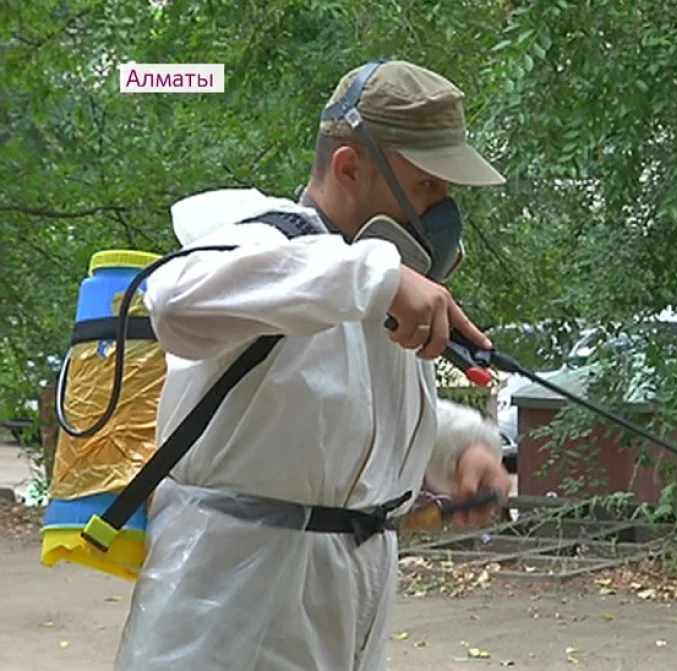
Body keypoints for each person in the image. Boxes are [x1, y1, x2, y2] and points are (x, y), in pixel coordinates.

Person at [113, 60, 512, 670]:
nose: (443, 208)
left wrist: (462, 450)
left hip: (342, 602)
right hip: (226, 616)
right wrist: (374, 277)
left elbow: (342, 413)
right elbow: (173, 301)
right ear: (350, 167)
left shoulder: (369, 281)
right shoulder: (268, 242)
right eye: (429, 184)